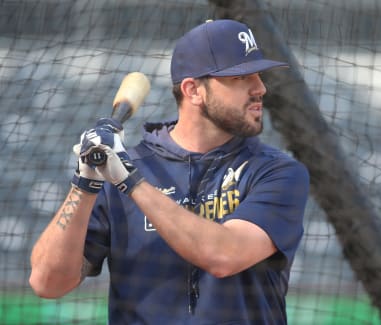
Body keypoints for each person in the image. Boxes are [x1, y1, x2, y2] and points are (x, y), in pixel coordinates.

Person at [29, 19, 310, 324]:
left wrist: (130, 180)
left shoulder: (277, 172)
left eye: (259, 75)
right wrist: (84, 182)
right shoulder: (119, 173)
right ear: (193, 90)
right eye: (242, 76)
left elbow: (225, 255)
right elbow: (47, 283)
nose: (260, 88)